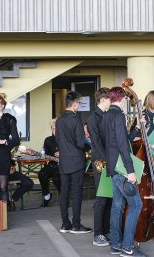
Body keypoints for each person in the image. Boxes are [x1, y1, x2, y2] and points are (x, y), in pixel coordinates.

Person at [103, 87, 145, 257]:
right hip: (122, 169)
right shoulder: (119, 115)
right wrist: (131, 171)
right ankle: (127, 247)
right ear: (121, 99)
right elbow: (123, 146)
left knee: (117, 206)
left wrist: (136, 128)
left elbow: (122, 140)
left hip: (113, 167)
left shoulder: (106, 115)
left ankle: (115, 245)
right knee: (136, 204)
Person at [56, 91, 92, 234]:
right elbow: (80, 143)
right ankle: (76, 225)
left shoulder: (59, 120)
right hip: (76, 160)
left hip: (64, 160)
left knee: (64, 192)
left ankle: (65, 224)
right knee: (76, 193)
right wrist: (89, 145)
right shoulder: (76, 119)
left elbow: (58, 140)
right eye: (78, 104)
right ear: (75, 103)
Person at [87, 87, 112, 247]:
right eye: (110, 99)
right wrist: (108, 158)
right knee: (101, 198)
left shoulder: (106, 115)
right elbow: (96, 141)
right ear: (103, 100)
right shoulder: (93, 118)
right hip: (100, 161)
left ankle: (106, 230)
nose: (111, 102)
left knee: (109, 197)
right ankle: (98, 234)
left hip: (108, 159)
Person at [38, 119, 61, 207]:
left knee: (56, 178)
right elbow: (44, 154)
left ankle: (63, 196)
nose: (55, 131)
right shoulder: (48, 140)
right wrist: (39, 154)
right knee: (42, 174)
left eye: (57, 128)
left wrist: (62, 152)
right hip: (52, 164)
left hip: (64, 166)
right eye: (53, 128)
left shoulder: (66, 139)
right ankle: (47, 196)